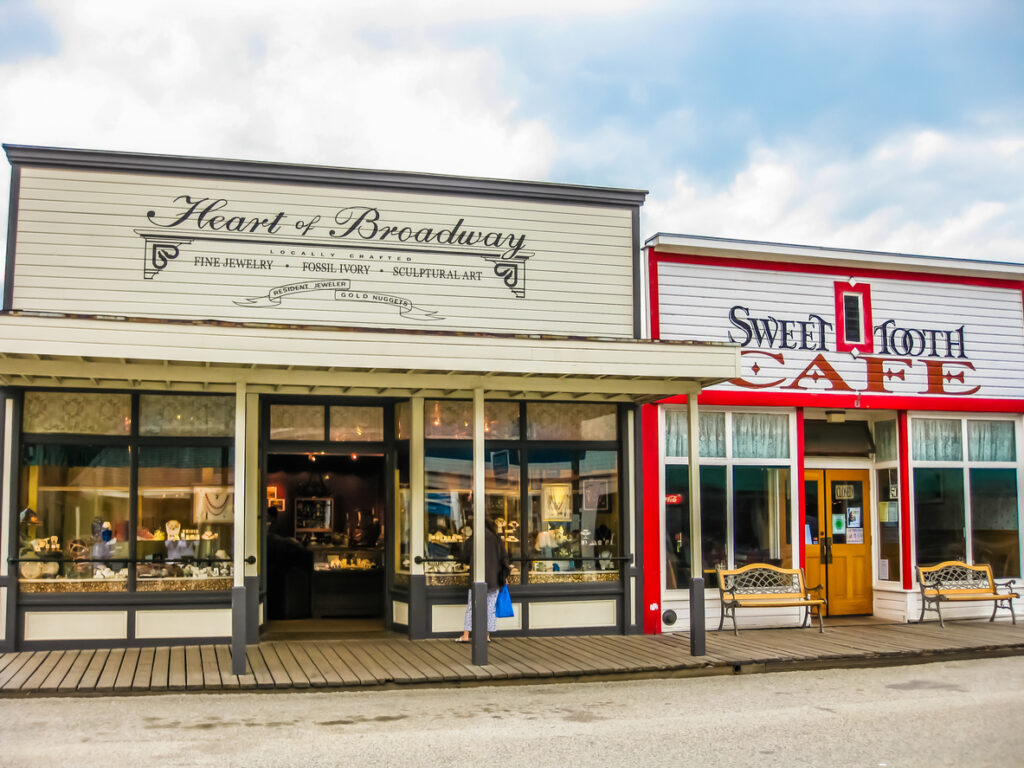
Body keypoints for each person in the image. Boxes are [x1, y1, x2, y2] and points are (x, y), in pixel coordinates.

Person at [456, 517, 510, 643]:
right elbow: (505, 558)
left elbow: (463, 557)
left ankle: (466, 635)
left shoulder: (473, 539)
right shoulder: (497, 539)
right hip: (494, 579)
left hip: (476, 579)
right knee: (490, 608)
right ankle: (486, 635)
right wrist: (505, 575)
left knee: (471, 607)